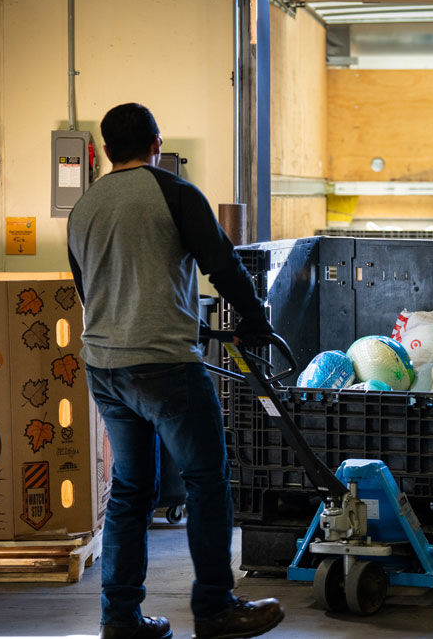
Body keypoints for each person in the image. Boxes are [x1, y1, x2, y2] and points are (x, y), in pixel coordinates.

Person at [67, 102, 284, 639]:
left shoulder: (83, 208)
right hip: (164, 365)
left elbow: (85, 289)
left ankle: (120, 618)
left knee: (130, 489)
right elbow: (223, 264)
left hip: (104, 367)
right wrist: (255, 322)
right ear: (156, 144)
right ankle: (214, 607)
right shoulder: (174, 193)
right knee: (206, 479)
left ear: (107, 150)